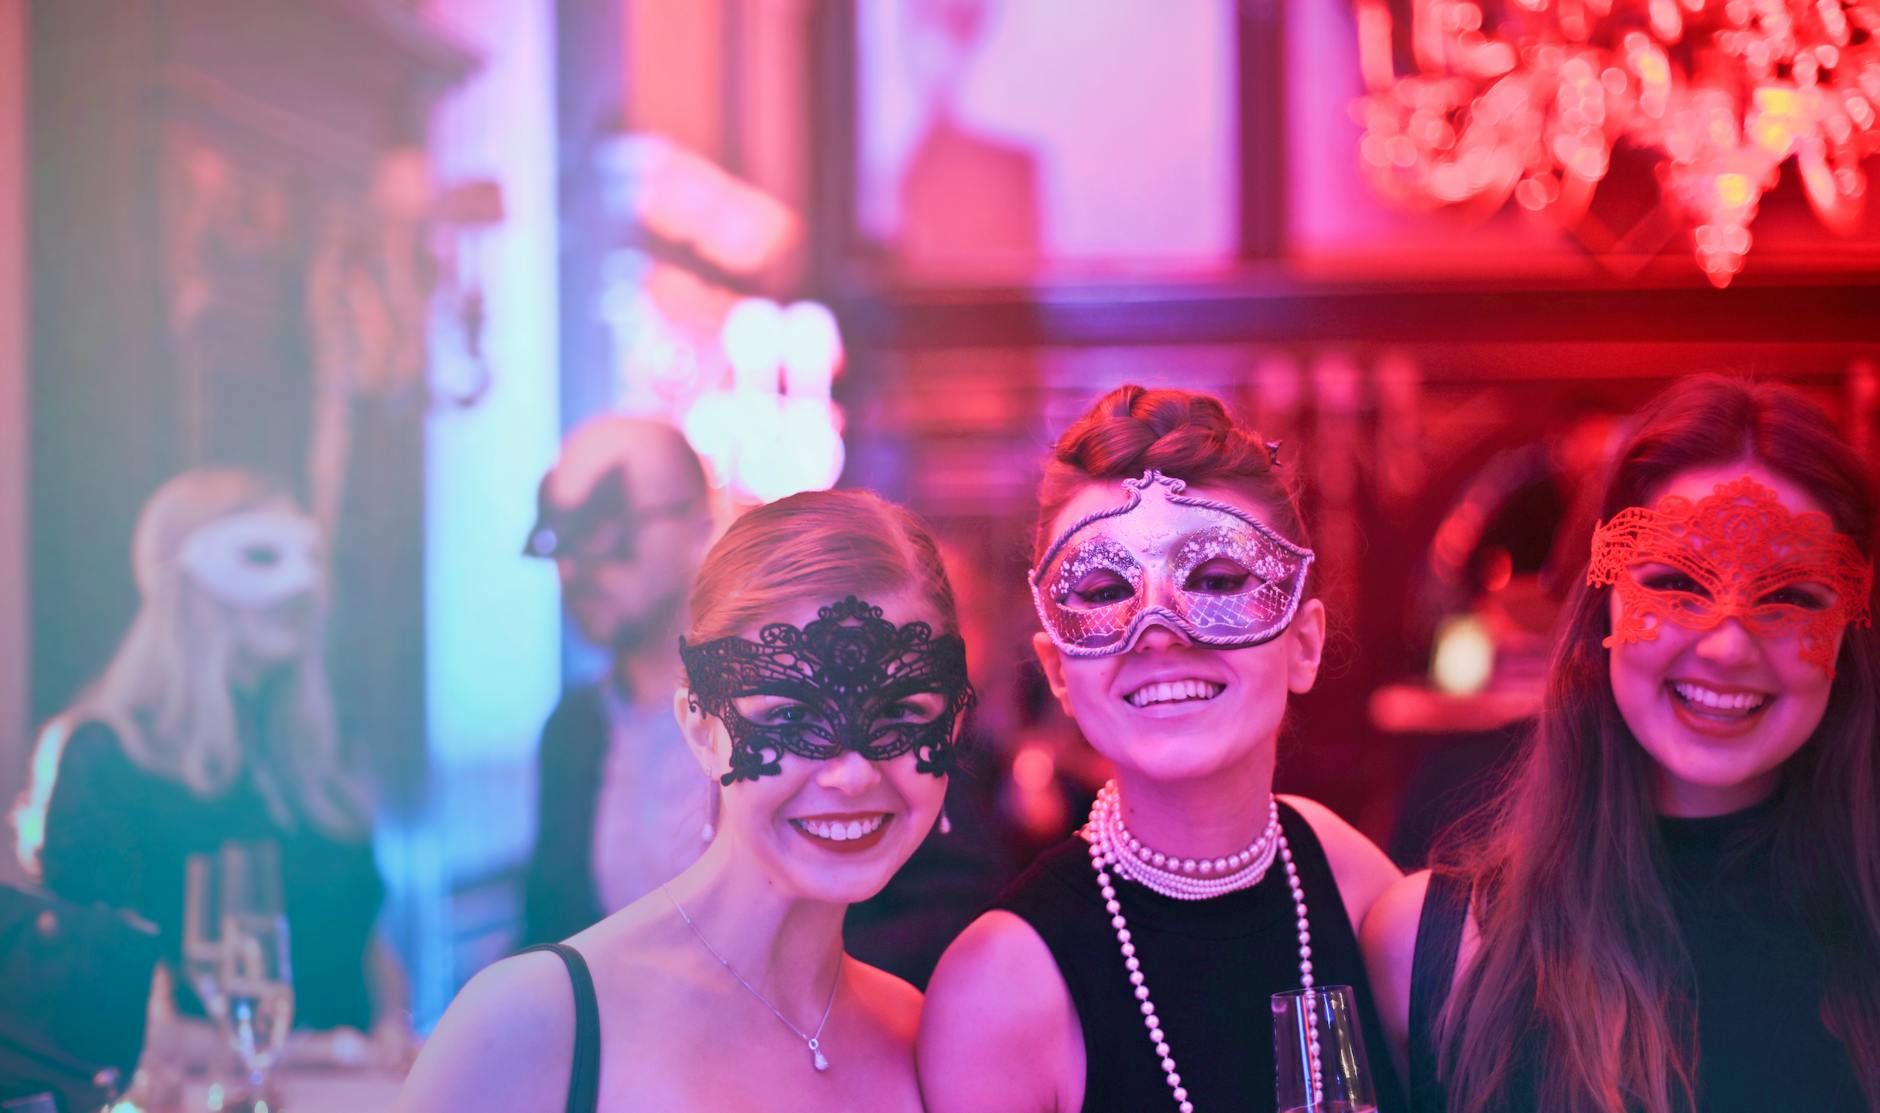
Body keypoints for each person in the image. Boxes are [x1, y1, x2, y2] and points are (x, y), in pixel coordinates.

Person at [1361, 375, 1880, 1113]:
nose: (1728, 645)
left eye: (1790, 594)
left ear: (1851, 630)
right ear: (1600, 606)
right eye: (1677, 583)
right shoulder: (1431, 950)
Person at [400, 488, 974, 1112]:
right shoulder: (531, 1022)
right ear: (702, 730)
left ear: (954, 723)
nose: (854, 774)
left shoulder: (917, 1036)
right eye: (790, 716)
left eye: (900, 712)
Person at [919, 385, 1405, 1113]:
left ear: (1304, 644)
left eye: (1215, 579)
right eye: (1105, 588)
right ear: (1059, 672)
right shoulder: (1000, 987)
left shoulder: (1351, 881)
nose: (1158, 628)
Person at [13, 469, 407, 1052]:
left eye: (310, 557)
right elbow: (88, 1006)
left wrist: (394, 1036)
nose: (298, 587)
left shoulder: (319, 755)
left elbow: (367, 943)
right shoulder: (107, 758)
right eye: (262, 555)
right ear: (183, 582)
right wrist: (315, 1055)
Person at [520, 415, 717, 945]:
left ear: (699, 530)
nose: (573, 566)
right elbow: (549, 937)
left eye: (606, 530)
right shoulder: (573, 732)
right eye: (561, 535)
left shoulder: (781, 718)